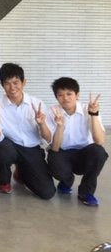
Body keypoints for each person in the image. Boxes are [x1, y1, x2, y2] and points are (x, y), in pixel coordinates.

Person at [0, 63, 55, 199]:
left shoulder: (37, 104)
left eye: (15, 83)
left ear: (24, 82)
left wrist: (42, 124)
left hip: (32, 149)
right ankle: (4, 181)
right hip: (10, 147)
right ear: (2, 85)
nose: (12, 88)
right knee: (3, 147)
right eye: (7, 84)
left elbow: (48, 139)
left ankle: (21, 172)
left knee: (47, 193)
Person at [46, 77, 107, 207]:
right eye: (60, 95)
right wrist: (60, 126)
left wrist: (93, 114)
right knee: (53, 157)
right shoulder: (52, 112)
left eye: (69, 94)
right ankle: (66, 182)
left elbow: (100, 140)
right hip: (63, 152)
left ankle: (86, 192)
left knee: (99, 152)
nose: (65, 98)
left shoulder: (88, 109)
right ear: (56, 97)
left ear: (77, 95)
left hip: (84, 154)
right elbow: (55, 147)